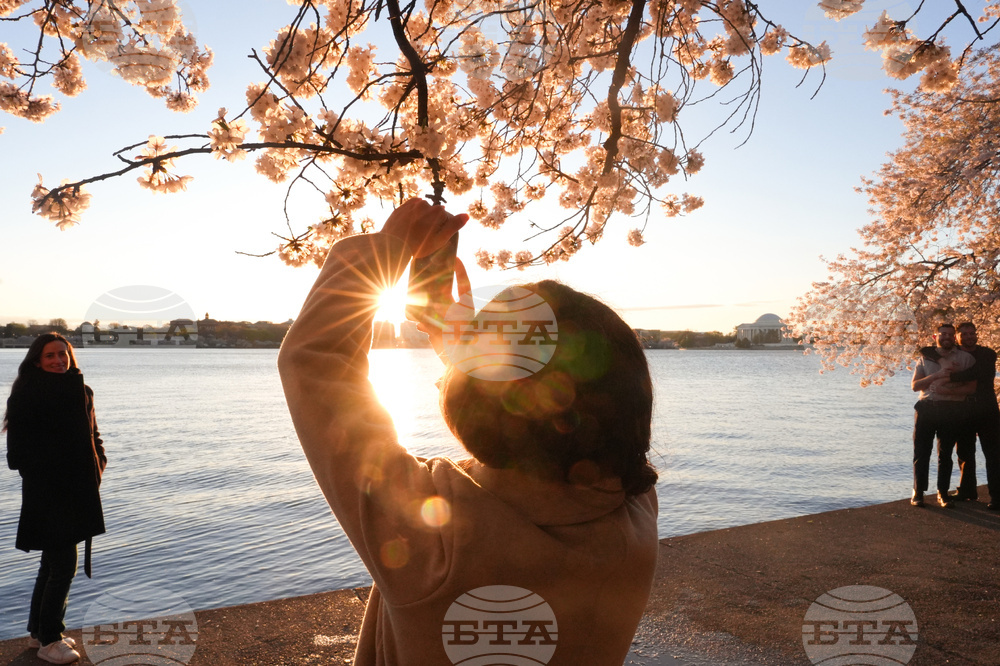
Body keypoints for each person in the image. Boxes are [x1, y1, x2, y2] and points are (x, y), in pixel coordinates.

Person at [278, 198, 659, 665]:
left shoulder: (433, 538)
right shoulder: (633, 510)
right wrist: (457, 347)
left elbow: (314, 361)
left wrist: (385, 251)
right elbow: (533, 413)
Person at [3, 333, 107, 664]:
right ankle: (50, 639)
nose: (58, 360)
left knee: (51, 564)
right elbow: (17, 455)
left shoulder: (82, 391)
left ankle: (37, 632)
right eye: (50, 355)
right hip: (48, 494)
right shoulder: (28, 395)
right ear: (37, 360)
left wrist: (97, 465)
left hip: (79, 492)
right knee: (64, 566)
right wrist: (64, 469)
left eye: (63, 354)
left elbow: (94, 436)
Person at [910, 324, 976, 508]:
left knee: (945, 453)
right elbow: (915, 386)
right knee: (921, 452)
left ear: (955, 338)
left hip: (951, 409)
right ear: (935, 336)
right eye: (943, 334)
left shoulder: (965, 359)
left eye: (950, 335)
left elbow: (971, 385)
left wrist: (954, 377)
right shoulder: (924, 358)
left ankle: (942, 492)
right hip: (927, 408)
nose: (947, 337)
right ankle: (918, 492)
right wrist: (936, 375)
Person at [938, 322, 1000, 509]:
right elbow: (932, 356)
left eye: (972, 333)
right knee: (964, 452)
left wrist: (952, 376)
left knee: (994, 454)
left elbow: (980, 373)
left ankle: (997, 496)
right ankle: (967, 490)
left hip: (987, 410)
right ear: (957, 337)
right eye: (964, 334)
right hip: (963, 409)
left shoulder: (987, 354)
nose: (969, 337)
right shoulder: (952, 354)